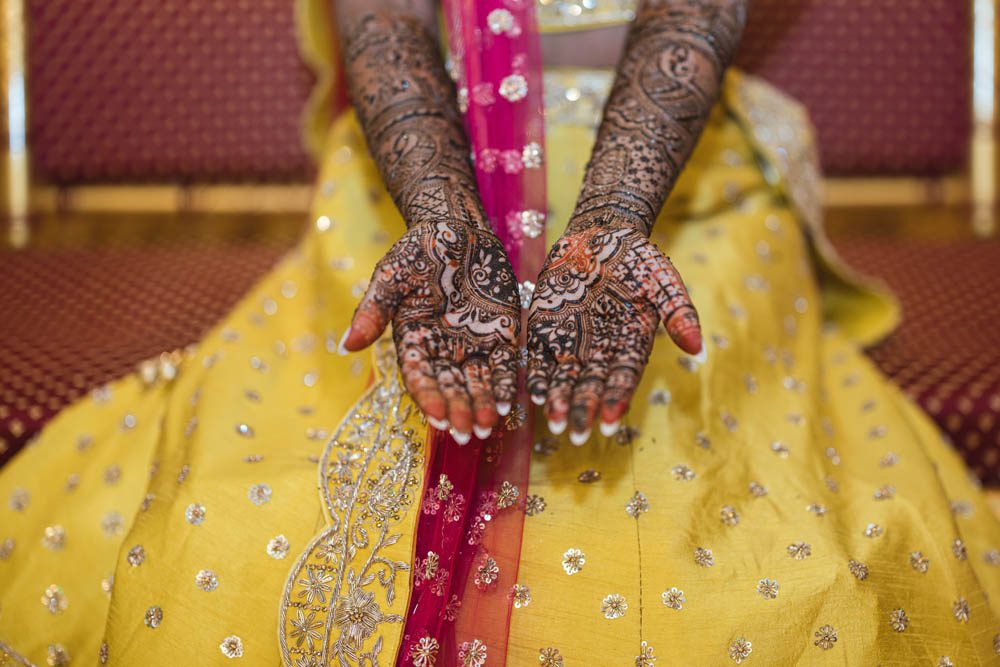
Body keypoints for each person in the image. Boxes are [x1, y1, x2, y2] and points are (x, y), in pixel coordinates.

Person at [2, 0, 999, 664]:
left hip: (682, 184)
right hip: (414, 177)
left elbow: (690, 18)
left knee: (776, 576)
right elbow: (384, 22)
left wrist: (610, 224)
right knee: (233, 538)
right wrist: (443, 222)